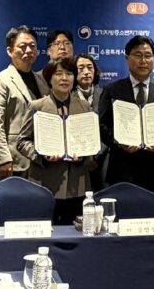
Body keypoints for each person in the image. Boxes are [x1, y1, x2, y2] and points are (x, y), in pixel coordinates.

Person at [99, 36, 154, 211]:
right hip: (123, 168)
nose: (143, 61)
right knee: (123, 218)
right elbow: (102, 126)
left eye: (148, 55)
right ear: (127, 58)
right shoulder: (112, 89)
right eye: (137, 55)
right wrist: (119, 142)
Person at [17, 57, 96, 224]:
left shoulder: (84, 107)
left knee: (76, 232)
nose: (64, 78)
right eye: (58, 74)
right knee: (45, 231)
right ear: (49, 78)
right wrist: (41, 155)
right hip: (45, 181)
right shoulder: (37, 106)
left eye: (69, 74)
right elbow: (22, 141)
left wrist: (83, 157)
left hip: (77, 184)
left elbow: (92, 143)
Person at [0, 26, 45, 179]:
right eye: (22, 46)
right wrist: (3, 158)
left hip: (40, 160)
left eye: (32, 46)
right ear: (10, 51)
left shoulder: (42, 81)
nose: (28, 50)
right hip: (13, 161)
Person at [75, 53, 107, 192]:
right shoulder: (68, 96)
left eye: (90, 67)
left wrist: (96, 153)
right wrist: (86, 157)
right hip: (77, 158)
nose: (86, 72)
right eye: (81, 68)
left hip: (103, 157)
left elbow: (109, 127)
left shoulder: (105, 94)